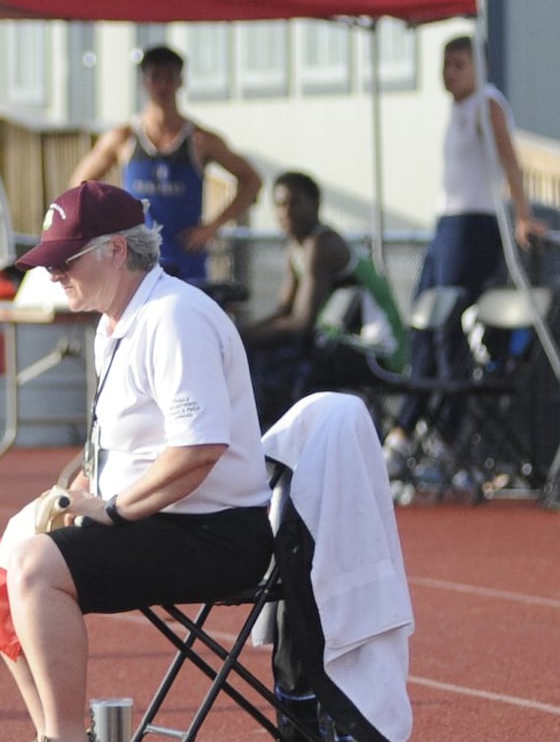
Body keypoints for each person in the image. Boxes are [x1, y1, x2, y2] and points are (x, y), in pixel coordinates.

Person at [0, 181, 272, 742]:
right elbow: (130, 445)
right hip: (163, 520)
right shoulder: (118, 322)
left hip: (214, 532)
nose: (53, 273)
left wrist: (114, 510)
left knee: (35, 565)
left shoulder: (175, 317)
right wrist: (76, 492)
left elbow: (198, 450)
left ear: (116, 250)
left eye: (66, 260)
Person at [383, 34, 547, 471]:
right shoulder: (457, 108)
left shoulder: (487, 104)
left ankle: (445, 438)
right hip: (447, 223)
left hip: (474, 224)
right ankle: (405, 428)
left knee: (446, 326)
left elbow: (510, 160)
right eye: (445, 64)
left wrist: (522, 215)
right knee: (421, 322)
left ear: (478, 68)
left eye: (458, 65)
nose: (448, 74)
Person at [69, 44, 262, 285]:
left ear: (181, 81)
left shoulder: (199, 140)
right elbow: (78, 187)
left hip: (186, 261)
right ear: (144, 82)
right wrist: (108, 229)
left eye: (170, 77)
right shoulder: (125, 138)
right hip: (136, 265)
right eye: (156, 77)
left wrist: (213, 227)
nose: (163, 85)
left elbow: (252, 180)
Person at [239, 171, 407, 428]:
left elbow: (301, 323)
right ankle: (273, 438)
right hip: (346, 344)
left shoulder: (323, 244)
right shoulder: (298, 248)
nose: (286, 212)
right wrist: (239, 334)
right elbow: (284, 311)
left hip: (380, 351)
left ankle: (287, 442)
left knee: (291, 364)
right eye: (280, 205)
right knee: (268, 355)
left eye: (295, 203)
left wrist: (241, 336)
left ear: (315, 205)